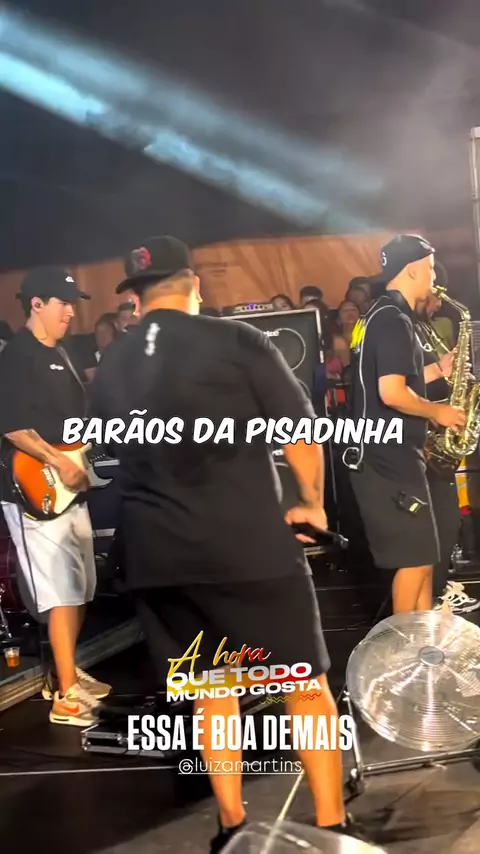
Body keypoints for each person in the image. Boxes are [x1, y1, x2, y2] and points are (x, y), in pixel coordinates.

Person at [89, 236, 366, 851]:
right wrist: (311, 502)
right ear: (193, 285)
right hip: (247, 546)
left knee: (212, 689)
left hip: (159, 555)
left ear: (135, 298)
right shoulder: (237, 340)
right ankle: (331, 824)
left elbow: (108, 448)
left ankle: (232, 826)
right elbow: (299, 429)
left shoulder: (114, 362)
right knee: (302, 682)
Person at [0, 267, 111, 725]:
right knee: (60, 592)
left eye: (72, 303)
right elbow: (13, 427)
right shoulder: (16, 357)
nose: (70, 312)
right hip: (35, 492)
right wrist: (58, 461)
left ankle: (65, 674)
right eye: (62, 303)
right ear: (36, 304)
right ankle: (65, 696)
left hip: (69, 489)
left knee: (81, 587)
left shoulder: (62, 354)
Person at [345, 235, 466, 614]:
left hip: (390, 455)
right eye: (430, 268)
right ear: (412, 269)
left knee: (424, 557)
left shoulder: (379, 315)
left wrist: (437, 370)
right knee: (414, 562)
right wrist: (438, 413)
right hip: (387, 459)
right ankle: (402, 645)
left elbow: (389, 379)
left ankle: (420, 637)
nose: (434, 277)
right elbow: (392, 393)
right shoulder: (394, 320)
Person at [415, 288, 480, 615]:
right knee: (437, 523)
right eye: (434, 295)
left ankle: (437, 590)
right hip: (422, 439)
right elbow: (393, 387)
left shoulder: (423, 328)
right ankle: (430, 596)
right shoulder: (396, 326)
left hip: (438, 438)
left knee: (448, 519)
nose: (438, 304)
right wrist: (440, 375)